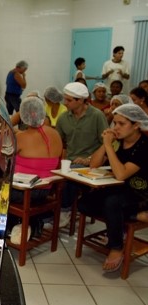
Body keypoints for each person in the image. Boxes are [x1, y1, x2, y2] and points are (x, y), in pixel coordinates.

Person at [77, 104, 148, 272]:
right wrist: (105, 144)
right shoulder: (118, 142)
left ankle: (116, 247)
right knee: (83, 203)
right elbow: (94, 165)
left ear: (136, 125)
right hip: (119, 189)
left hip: (139, 192)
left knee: (111, 203)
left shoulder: (144, 146)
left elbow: (121, 174)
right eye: (114, 123)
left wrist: (109, 146)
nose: (115, 127)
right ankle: (134, 215)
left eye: (121, 124)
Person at [0, 96, 62, 236]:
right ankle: (24, 223)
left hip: (25, 191)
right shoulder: (55, 134)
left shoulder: (21, 138)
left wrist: (8, 125)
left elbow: (2, 156)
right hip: (46, 189)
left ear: (24, 115)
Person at [56, 82, 109, 225]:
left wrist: (90, 159)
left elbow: (107, 143)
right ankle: (49, 211)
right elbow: (58, 143)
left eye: (68, 100)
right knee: (54, 174)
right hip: (70, 161)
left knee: (68, 176)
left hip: (91, 164)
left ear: (80, 101)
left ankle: (65, 211)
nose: (65, 103)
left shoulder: (97, 116)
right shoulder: (63, 118)